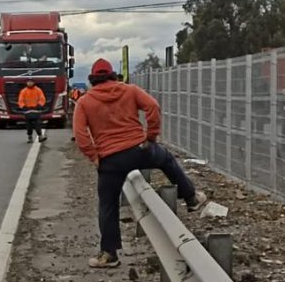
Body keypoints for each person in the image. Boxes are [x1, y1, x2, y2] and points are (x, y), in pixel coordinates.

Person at [74, 58, 207, 269]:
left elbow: (80, 134)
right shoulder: (130, 90)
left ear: (92, 78)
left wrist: (94, 157)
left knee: (108, 204)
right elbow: (153, 106)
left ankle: (109, 254)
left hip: (110, 159)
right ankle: (191, 197)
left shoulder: (85, 102)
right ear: (112, 75)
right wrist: (151, 136)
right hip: (139, 150)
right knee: (166, 159)